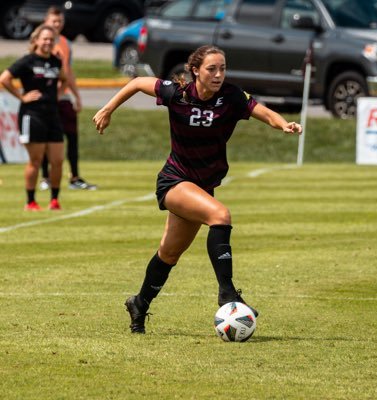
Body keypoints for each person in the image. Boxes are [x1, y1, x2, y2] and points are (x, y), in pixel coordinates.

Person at [93, 45, 302, 334]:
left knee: (169, 253)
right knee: (220, 216)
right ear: (195, 71)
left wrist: (283, 124)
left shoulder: (230, 96)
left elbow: (261, 111)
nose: (218, 75)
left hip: (201, 186)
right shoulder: (177, 93)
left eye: (223, 68)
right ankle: (227, 293)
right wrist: (108, 108)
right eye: (211, 69)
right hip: (174, 181)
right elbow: (139, 83)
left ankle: (139, 303)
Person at [0, 25, 67, 211]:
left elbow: (65, 78)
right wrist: (22, 97)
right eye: (44, 39)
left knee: (57, 161)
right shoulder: (27, 61)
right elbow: (4, 78)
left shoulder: (56, 61)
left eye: (50, 39)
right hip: (32, 115)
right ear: (36, 40)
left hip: (52, 115)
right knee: (35, 161)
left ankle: (54, 200)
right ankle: (30, 201)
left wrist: (58, 94)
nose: (47, 42)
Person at [39, 6, 97, 191]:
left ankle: (75, 177)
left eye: (60, 21)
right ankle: (45, 177)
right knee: (45, 140)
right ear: (46, 21)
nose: (57, 25)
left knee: (72, 137)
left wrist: (76, 96)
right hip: (45, 100)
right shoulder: (39, 42)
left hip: (63, 97)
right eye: (54, 21)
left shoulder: (66, 43)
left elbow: (68, 72)